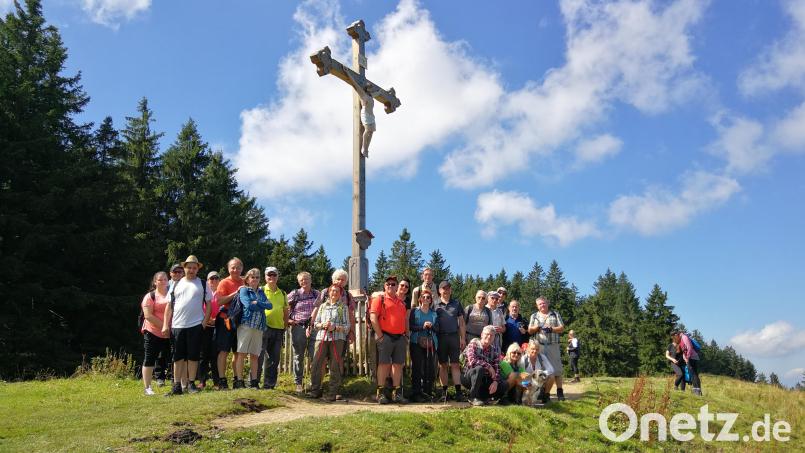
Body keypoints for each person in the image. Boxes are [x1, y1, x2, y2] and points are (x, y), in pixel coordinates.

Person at [162, 255, 213, 396]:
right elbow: (169, 306)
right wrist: (166, 325)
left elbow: (209, 304)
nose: (191, 270)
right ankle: (177, 385)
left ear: (197, 269)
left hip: (196, 324)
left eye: (194, 268)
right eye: (189, 267)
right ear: (184, 268)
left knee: (193, 356)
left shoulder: (203, 284)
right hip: (177, 325)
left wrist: (204, 322)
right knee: (177, 357)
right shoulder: (175, 284)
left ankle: (191, 384)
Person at [307, 285, 351, 401]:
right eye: (332, 291)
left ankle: (332, 393)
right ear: (329, 292)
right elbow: (316, 323)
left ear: (340, 294)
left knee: (334, 365)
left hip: (337, 339)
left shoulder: (343, 307)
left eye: (337, 291)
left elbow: (347, 327)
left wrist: (335, 327)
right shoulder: (322, 307)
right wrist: (323, 325)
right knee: (316, 363)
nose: (334, 293)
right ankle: (315, 390)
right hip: (322, 337)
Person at [370, 275, 408, 404]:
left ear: (397, 287)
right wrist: (380, 335)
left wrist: (405, 335)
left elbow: (404, 320)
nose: (391, 286)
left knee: (398, 365)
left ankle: (396, 393)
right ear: (384, 286)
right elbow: (373, 318)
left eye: (393, 284)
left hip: (400, 338)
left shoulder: (402, 303)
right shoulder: (379, 299)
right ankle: (380, 393)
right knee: (384, 364)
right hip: (385, 336)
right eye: (388, 284)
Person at [233, 268, 273, 389]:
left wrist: (257, 303)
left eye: (257, 277)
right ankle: (240, 381)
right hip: (246, 325)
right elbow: (248, 305)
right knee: (241, 353)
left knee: (255, 355)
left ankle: (254, 381)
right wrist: (260, 304)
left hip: (259, 326)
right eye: (252, 277)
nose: (255, 279)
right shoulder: (244, 290)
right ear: (247, 279)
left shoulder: (261, 292)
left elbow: (270, 305)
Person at [212, 257, 244, 390]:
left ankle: (237, 379)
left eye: (238, 267)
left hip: (240, 321)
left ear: (242, 268)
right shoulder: (224, 283)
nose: (235, 270)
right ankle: (222, 380)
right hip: (225, 320)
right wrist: (235, 293)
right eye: (233, 267)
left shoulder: (245, 281)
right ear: (228, 268)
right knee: (224, 351)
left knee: (238, 352)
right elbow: (219, 301)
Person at [527, 297, 566, 401]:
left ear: (547, 303)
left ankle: (560, 391)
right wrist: (537, 327)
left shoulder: (555, 314)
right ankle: (542, 392)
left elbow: (562, 328)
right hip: (539, 345)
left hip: (553, 344)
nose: (542, 305)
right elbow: (529, 331)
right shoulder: (534, 316)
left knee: (557, 369)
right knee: (540, 369)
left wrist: (551, 329)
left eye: (543, 303)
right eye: (539, 304)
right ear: (537, 306)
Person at [287, 271, 320, 393]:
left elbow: (322, 309)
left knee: (315, 356)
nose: (304, 282)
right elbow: (284, 307)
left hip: (314, 328)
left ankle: (314, 383)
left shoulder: (317, 294)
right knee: (298, 356)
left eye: (306, 279)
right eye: (301, 280)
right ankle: (298, 383)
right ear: (298, 282)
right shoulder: (294, 294)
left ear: (311, 280)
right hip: (299, 327)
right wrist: (289, 320)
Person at [434, 280, 467, 402]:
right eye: (443, 288)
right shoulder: (435, 304)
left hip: (454, 337)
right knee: (442, 365)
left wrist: (463, 338)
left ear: (451, 290)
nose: (446, 290)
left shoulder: (456, 304)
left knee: (455, 364)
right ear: (439, 290)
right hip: (440, 337)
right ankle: (444, 392)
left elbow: (462, 323)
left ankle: (458, 392)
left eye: (448, 288)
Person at [462, 325, 508, 406]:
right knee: (479, 369)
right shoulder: (474, 343)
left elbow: (497, 368)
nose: (489, 336)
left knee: (504, 384)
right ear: (482, 335)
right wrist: (489, 366)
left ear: (494, 337)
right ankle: (472, 397)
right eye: (487, 334)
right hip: (469, 376)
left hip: (484, 379)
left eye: (491, 335)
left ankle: (490, 398)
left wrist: (495, 382)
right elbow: (472, 361)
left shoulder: (494, 350)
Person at [257, 266, 288, 390]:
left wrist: (285, 326)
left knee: (274, 358)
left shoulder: (283, 293)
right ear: (265, 277)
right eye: (269, 275)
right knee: (258, 356)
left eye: (274, 275)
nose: (272, 277)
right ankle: (254, 382)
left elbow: (286, 311)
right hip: (262, 327)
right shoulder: (260, 290)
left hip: (278, 329)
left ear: (277, 277)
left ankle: (269, 384)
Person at [141, 271, 171, 395]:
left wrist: (169, 329)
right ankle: (147, 387)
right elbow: (148, 316)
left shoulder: (172, 294)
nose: (163, 281)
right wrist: (164, 327)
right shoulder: (150, 296)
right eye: (160, 279)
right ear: (155, 282)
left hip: (171, 331)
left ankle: (178, 384)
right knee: (149, 358)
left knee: (173, 358)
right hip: (152, 331)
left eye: (165, 279)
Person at [409, 289, 439, 402]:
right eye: (424, 297)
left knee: (429, 368)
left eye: (428, 297)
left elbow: (438, 328)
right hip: (416, 342)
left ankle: (428, 392)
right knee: (417, 368)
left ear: (431, 300)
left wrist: (431, 326)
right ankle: (416, 393)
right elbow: (410, 326)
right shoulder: (414, 311)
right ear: (420, 299)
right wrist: (422, 327)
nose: (426, 299)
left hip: (431, 343)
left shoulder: (434, 313)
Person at [197, 271, 221, 389]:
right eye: (212, 278)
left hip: (218, 327)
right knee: (203, 355)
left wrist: (216, 320)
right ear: (207, 281)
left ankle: (217, 382)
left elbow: (225, 310)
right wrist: (206, 320)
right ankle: (202, 381)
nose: (214, 280)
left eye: (217, 278)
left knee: (215, 355)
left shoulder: (221, 293)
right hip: (204, 327)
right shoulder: (203, 293)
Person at [347, 70, 376, 158]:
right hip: (366, 114)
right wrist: (347, 73)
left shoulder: (371, 96)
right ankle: (364, 148)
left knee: (371, 133)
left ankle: (366, 149)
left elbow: (379, 93)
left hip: (372, 116)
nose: (371, 88)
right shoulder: (363, 94)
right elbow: (355, 84)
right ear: (367, 88)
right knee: (367, 131)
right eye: (370, 87)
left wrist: (383, 92)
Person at [673, 331, 702, 396]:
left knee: (694, 374)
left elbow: (689, 348)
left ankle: (697, 391)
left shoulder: (684, 337)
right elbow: (684, 351)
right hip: (690, 358)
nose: (675, 337)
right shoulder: (681, 340)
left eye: (675, 336)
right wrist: (685, 359)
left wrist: (688, 358)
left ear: (678, 334)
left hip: (692, 358)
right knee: (693, 374)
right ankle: (697, 391)